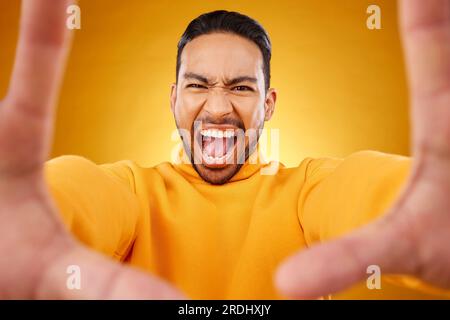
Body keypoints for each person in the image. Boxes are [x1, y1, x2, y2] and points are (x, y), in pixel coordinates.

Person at [0, 0, 449, 299]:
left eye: (240, 87)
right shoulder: (132, 192)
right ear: (173, 98)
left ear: (268, 104)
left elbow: (364, 188)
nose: (217, 108)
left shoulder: (307, 192)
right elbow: (74, 193)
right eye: (198, 86)